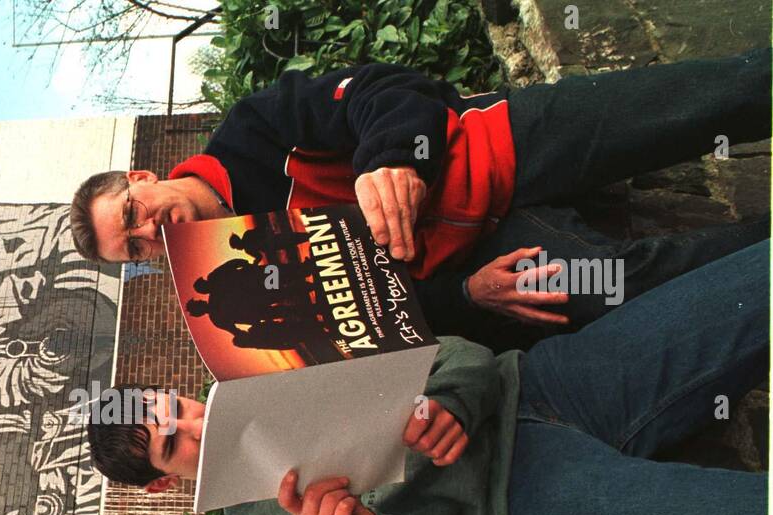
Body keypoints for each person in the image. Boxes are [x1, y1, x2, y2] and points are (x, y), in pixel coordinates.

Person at [85, 241, 769, 515]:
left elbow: (458, 352)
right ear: (163, 483)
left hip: (540, 384)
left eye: (177, 407)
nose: (196, 424)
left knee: (751, 285)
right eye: (174, 443)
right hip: (526, 508)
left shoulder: (268, 362)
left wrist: (446, 402)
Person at [70, 49, 771, 351]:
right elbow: (389, 321)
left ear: (141, 180)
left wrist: (396, 160)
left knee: (694, 102)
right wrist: (469, 293)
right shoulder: (238, 288)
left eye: (132, 216)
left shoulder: (255, 126)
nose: (149, 232)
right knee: (622, 286)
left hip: (494, 145)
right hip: (484, 256)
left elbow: (386, 92)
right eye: (135, 249)